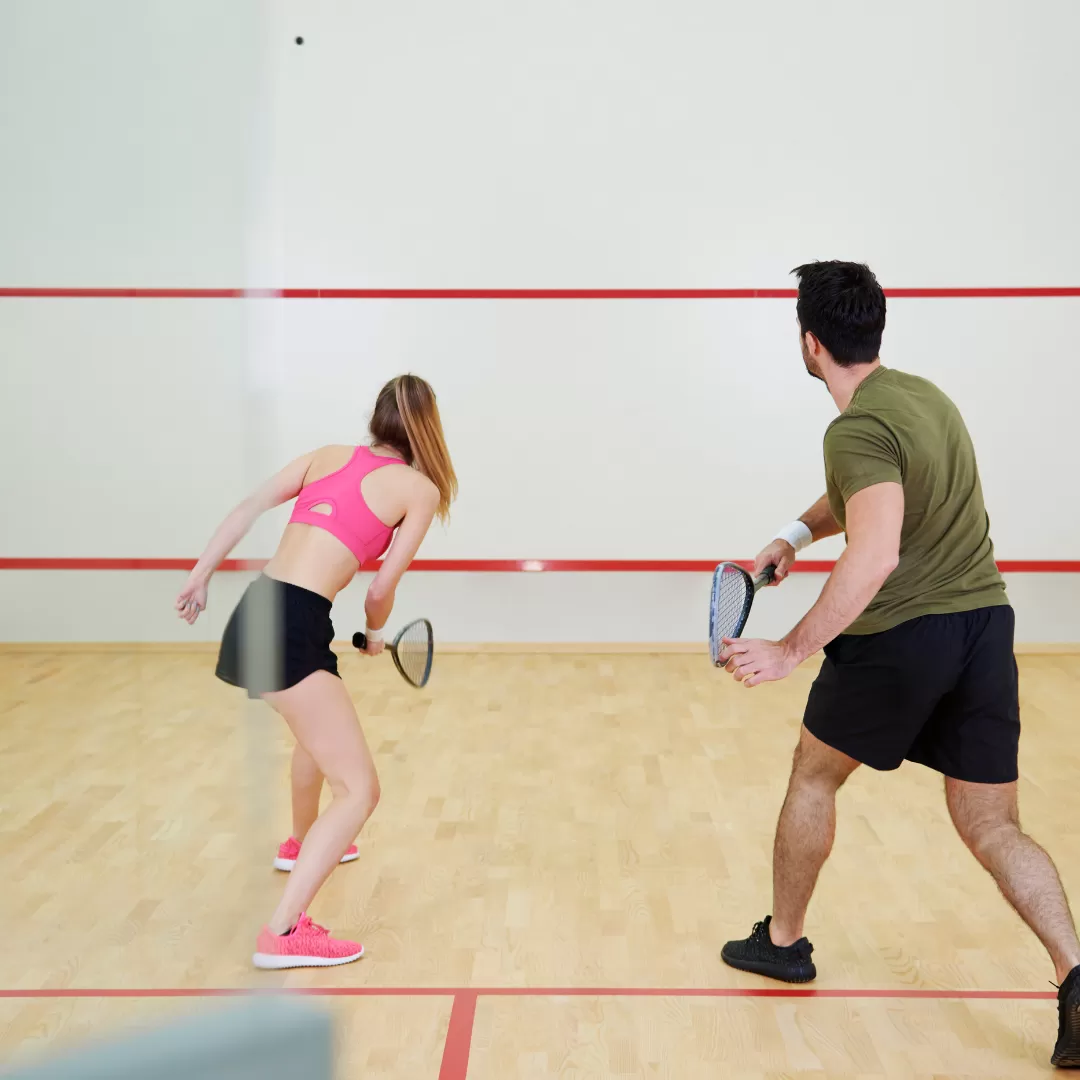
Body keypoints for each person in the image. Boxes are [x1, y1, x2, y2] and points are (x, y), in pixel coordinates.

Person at [717, 261, 1080, 1068]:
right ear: (874, 330)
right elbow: (867, 489)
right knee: (994, 826)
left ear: (810, 343)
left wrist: (787, 649)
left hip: (904, 638)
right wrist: (795, 536)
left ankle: (783, 943)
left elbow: (875, 552)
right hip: (986, 627)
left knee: (815, 773)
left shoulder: (852, 428)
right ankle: (1077, 976)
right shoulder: (923, 398)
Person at [174, 374, 456, 969]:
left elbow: (247, 507)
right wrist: (376, 635)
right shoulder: (419, 489)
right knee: (360, 790)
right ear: (428, 427)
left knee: (316, 739)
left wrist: (200, 574)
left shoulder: (327, 456)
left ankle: (300, 844)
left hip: (257, 609)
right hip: (298, 622)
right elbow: (380, 588)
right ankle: (283, 931)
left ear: (377, 418)